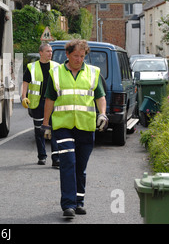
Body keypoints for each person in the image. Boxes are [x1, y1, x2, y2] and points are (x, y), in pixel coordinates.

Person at [42, 39, 108, 219]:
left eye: (82, 56)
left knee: (81, 165)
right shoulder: (56, 73)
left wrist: (102, 114)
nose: (79, 59)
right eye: (76, 56)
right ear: (68, 55)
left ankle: (79, 202)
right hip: (63, 126)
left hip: (86, 126)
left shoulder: (93, 73)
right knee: (68, 162)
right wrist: (46, 124)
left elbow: (100, 96)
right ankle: (68, 205)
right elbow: (50, 99)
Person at [21, 43, 60, 167]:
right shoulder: (32, 67)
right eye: (48, 51)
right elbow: (25, 82)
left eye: (51, 51)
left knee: (54, 130)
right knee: (39, 131)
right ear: (41, 53)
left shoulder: (57, 67)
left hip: (53, 102)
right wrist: (23, 97)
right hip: (38, 103)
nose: (50, 53)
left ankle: (56, 158)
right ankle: (42, 156)